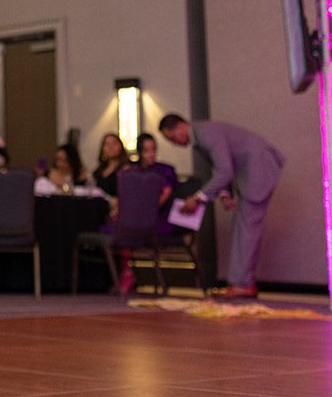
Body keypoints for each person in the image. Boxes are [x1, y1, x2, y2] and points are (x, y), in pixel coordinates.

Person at [158, 113, 285, 298]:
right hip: (251, 170)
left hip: (258, 169)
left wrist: (198, 198)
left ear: (181, 126)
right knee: (245, 228)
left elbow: (225, 171)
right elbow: (223, 167)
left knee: (247, 229)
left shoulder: (206, 135)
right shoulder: (201, 136)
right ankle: (244, 282)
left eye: (172, 138)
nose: (174, 143)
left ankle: (242, 284)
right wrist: (226, 194)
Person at [93, 132, 132, 200]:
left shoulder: (125, 170)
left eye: (114, 144)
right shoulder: (98, 172)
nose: (110, 147)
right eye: (106, 144)